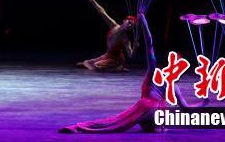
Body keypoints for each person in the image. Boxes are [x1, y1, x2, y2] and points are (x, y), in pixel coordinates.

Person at [60, 12, 191, 133]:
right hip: (157, 117)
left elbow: (149, 44)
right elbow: (186, 109)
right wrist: (201, 104)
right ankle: (157, 127)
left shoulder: (154, 73)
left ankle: (79, 128)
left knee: (116, 122)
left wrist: (145, 23)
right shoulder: (174, 87)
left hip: (145, 108)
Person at [76, 0, 138, 72]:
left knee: (96, 65)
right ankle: (116, 67)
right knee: (87, 62)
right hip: (108, 55)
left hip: (116, 59)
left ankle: (118, 67)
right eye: (129, 23)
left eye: (132, 26)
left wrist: (135, 47)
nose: (130, 26)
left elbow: (131, 55)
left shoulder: (125, 39)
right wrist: (93, 1)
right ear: (124, 21)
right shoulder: (113, 25)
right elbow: (103, 12)